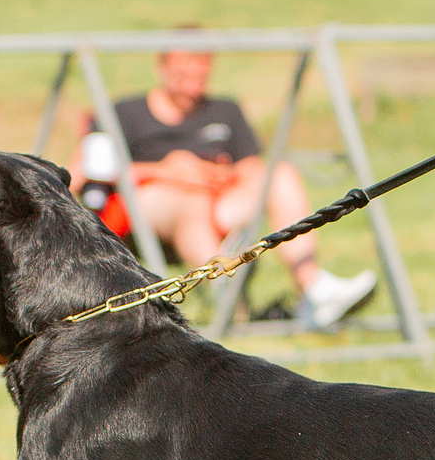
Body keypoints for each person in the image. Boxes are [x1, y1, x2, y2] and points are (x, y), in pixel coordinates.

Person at [79, 41, 376, 329]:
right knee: (188, 201)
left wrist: (218, 174)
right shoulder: (124, 113)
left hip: (218, 205)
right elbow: (83, 172)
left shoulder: (225, 111)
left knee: (281, 174)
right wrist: (166, 170)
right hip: (150, 210)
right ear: (163, 67)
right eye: (183, 76)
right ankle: (228, 294)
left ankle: (314, 289)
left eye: (200, 76)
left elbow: (252, 168)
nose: (192, 86)